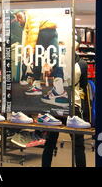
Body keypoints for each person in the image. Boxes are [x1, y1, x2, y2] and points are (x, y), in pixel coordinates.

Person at [41, 37, 90, 167]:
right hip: (73, 105)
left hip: (62, 105)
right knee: (78, 144)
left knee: (51, 142)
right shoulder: (82, 64)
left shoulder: (61, 62)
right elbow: (83, 87)